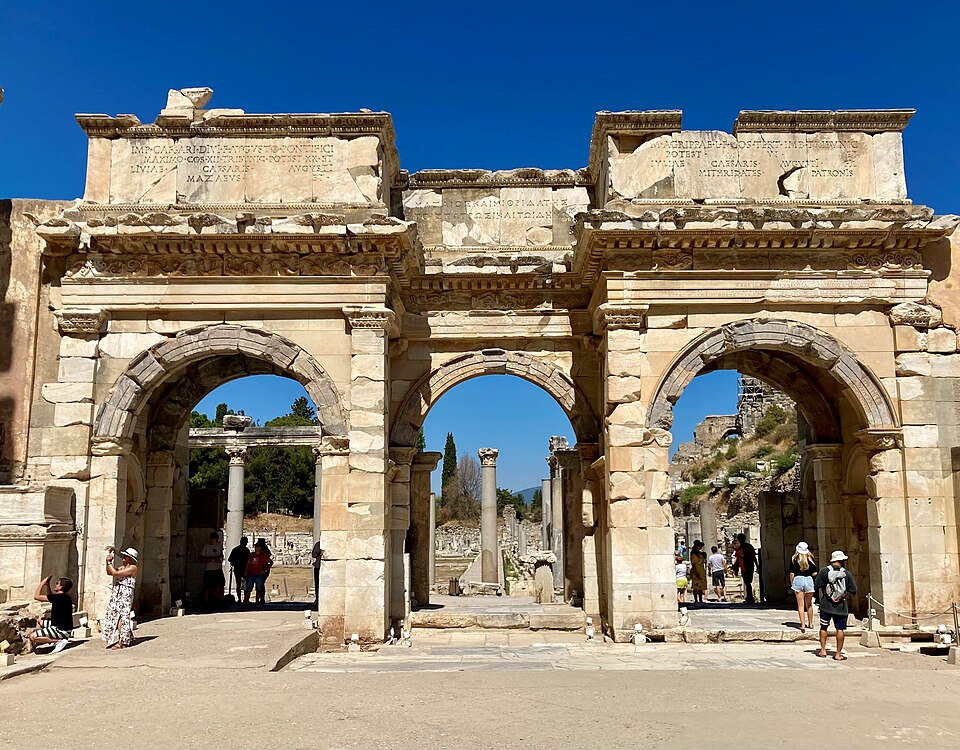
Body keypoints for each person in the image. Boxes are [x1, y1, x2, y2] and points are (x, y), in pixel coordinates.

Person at [815, 550, 858, 660]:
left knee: (824, 627)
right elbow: (854, 590)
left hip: (826, 605)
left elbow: (817, 585)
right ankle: (838, 654)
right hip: (841, 606)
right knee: (840, 629)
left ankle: (823, 650)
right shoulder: (846, 574)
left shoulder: (824, 571)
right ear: (841, 560)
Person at [25, 576, 74, 654]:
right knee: (40, 621)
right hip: (63, 625)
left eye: (57, 583)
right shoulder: (64, 597)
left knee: (32, 637)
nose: (56, 585)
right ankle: (52, 636)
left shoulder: (58, 598)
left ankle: (57, 641)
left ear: (61, 587)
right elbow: (51, 597)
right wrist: (47, 585)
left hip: (61, 629)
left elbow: (36, 596)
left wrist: (42, 582)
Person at [102, 547, 138, 650]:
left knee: (122, 617)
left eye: (125, 556)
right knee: (116, 615)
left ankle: (123, 640)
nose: (123, 558)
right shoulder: (123, 567)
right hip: (118, 592)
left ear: (130, 558)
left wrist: (110, 564)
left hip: (125, 593)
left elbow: (115, 573)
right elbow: (110, 572)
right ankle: (126, 637)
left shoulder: (132, 568)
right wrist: (107, 562)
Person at [789, 541, 818, 632]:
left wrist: (792, 583)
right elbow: (814, 572)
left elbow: (792, 573)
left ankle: (802, 624)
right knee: (809, 604)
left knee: (800, 605)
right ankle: (811, 623)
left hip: (798, 579)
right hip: (808, 579)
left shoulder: (794, 559)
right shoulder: (810, 559)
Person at [244, 540, 273, 607]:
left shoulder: (264, 555)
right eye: (256, 546)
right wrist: (245, 572)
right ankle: (246, 602)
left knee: (258, 589)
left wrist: (265, 570)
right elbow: (247, 563)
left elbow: (270, 562)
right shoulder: (251, 555)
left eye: (258, 546)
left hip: (259, 574)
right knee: (248, 588)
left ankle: (257, 603)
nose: (256, 548)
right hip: (251, 573)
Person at [200, 531, 224, 607]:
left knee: (221, 584)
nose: (215, 540)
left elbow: (221, 554)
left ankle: (221, 600)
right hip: (209, 569)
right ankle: (206, 601)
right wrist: (212, 560)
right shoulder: (206, 546)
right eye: (213, 538)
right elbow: (202, 558)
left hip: (218, 569)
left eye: (216, 539)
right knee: (208, 586)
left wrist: (220, 558)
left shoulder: (219, 545)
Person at [227, 536, 250, 602]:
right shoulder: (246, 550)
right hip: (243, 569)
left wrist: (234, 564)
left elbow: (230, 559)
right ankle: (244, 599)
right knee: (244, 584)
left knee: (239, 584)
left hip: (238, 569)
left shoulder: (235, 549)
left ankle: (240, 598)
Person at [736, 533, 757, 604]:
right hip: (746, 566)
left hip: (747, 566)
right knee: (747, 582)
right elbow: (738, 560)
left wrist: (757, 565)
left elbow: (753, 556)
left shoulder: (744, 547)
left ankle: (750, 597)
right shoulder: (747, 547)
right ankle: (749, 596)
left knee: (748, 582)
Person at [689, 540, 708, 604]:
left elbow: (703, 562)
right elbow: (694, 563)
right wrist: (696, 572)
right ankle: (696, 599)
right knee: (696, 586)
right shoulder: (693, 553)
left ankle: (700, 599)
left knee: (701, 587)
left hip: (701, 570)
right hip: (696, 571)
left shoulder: (700, 554)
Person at [310, 539, 324, 607]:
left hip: (322, 567)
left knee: (320, 584)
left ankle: (320, 599)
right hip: (318, 566)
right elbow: (313, 555)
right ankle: (318, 599)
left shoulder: (320, 544)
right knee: (317, 584)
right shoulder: (318, 544)